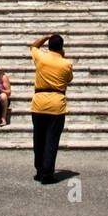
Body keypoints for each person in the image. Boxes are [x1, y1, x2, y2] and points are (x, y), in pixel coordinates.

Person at [29, 31, 73, 184]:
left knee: (38, 139)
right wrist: (63, 56)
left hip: (39, 102)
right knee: (51, 140)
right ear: (61, 47)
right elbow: (68, 79)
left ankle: (40, 170)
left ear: (49, 46)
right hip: (56, 104)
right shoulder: (66, 63)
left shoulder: (41, 57)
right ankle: (47, 174)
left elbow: (33, 46)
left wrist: (45, 37)